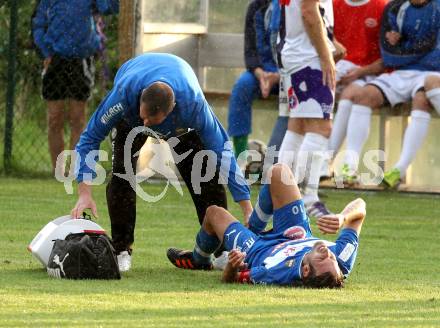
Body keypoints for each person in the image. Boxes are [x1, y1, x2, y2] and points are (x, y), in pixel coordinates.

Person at [70, 53, 253, 272]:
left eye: (151, 122)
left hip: (179, 120)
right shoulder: (124, 96)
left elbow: (223, 152)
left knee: (204, 174)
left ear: (171, 110)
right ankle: (121, 249)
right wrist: (84, 192)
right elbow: (90, 137)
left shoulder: (193, 106)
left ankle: (222, 249)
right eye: (144, 118)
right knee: (122, 172)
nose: (146, 125)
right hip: (130, 110)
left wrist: (247, 207)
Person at [167, 163, 366, 288]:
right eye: (332, 258)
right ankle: (252, 226)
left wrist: (231, 265)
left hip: (255, 249)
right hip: (297, 233)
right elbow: (360, 207)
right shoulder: (342, 259)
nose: (328, 253)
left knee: (213, 213)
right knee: (279, 172)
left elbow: (231, 279)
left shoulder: (275, 274)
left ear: (305, 271)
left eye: (324, 259)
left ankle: (199, 260)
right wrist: (342, 217)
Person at [341, 0, 440, 187]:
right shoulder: (395, 7)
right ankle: (349, 168)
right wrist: (404, 49)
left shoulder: (437, 8)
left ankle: (399, 170)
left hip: (433, 73)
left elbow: (434, 51)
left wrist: (402, 44)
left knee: (422, 99)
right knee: (363, 96)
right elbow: (388, 55)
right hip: (401, 72)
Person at [32, 0, 119, 175]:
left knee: (77, 118)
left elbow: (110, 8)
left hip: (81, 60)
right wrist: (45, 52)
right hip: (55, 59)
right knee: (55, 118)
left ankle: (75, 170)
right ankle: (58, 171)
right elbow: (37, 25)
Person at [276, 0, 338, 217]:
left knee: (298, 126)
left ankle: (278, 195)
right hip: (308, 58)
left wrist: (331, 43)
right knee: (321, 127)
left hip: (294, 54)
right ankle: (308, 198)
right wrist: (325, 55)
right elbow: (309, 12)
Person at [326, 0, 388, 180]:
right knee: (342, 96)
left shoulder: (380, 7)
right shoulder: (334, 5)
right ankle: (334, 165)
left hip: (370, 74)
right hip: (339, 71)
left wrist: (361, 71)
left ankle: (337, 164)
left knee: (351, 95)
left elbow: (387, 57)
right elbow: (326, 41)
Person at [227, 0, 280, 160]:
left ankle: (280, 160)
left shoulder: (292, 6)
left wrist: (279, 76)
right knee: (242, 86)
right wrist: (261, 75)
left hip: (288, 73)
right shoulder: (255, 7)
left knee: (295, 100)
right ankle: (241, 158)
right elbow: (249, 51)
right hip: (260, 72)